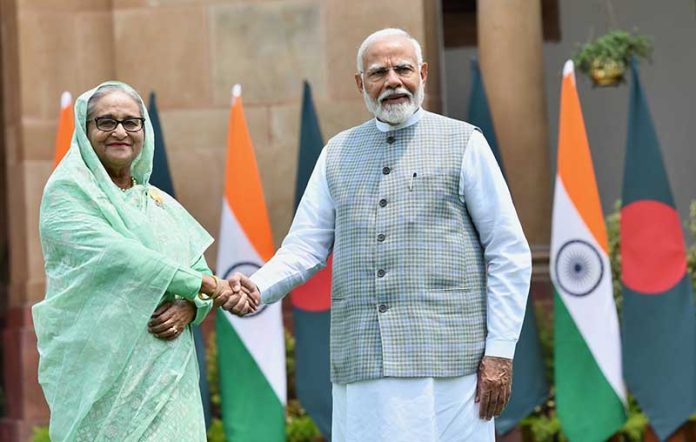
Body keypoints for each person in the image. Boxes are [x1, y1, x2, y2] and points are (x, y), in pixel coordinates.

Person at [231, 28, 532, 441]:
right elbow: (304, 246)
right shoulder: (336, 153)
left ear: (422, 73)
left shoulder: (465, 143)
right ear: (360, 84)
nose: (392, 80)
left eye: (403, 68)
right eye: (378, 72)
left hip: (450, 366)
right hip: (363, 364)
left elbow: (508, 250)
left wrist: (500, 351)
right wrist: (257, 288)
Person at [33, 81, 256, 441]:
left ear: (144, 131)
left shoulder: (158, 203)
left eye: (131, 122)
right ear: (85, 130)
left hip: (168, 370)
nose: (120, 131)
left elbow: (197, 268)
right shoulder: (67, 193)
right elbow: (123, 258)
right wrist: (209, 287)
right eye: (105, 122)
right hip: (103, 374)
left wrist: (190, 305)